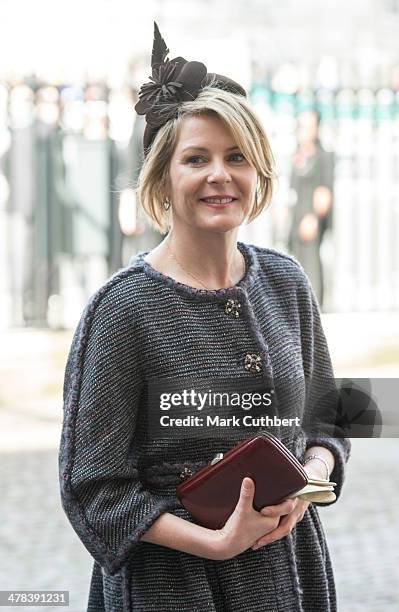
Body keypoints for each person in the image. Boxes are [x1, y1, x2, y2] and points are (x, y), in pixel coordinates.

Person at [59, 23, 350, 612]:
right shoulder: (122, 310)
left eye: (236, 157)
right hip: (174, 589)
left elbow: (328, 417)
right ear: (163, 178)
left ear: (259, 172)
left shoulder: (287, 282)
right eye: (198, 158)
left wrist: (309, 476)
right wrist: (212, 543)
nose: (220, 174)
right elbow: (93, 488)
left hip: (291, 576)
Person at [288, 110, 335, 308]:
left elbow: (324, 192)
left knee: (310, 262)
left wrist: (313, 218)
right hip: (297, 216)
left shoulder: (322, 155)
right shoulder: (299, 154)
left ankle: (314, 306)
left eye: (308, 127)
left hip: (310, 218)